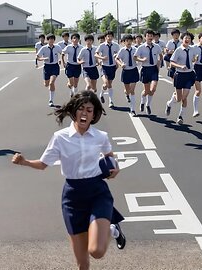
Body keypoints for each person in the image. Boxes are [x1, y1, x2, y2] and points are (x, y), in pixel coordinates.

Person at [12, 90, 126, 269]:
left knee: (96, 251)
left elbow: (110, 156)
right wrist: (24, 162)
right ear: (74, 111)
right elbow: (43, 164)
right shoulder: (60, 138)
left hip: (97, 192)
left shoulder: (100, 136)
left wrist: (115, 167)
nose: (85, 113)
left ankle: (112, 229)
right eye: (81, 109)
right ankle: (108, 230)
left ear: (94, 114)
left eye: (89, 110)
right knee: (82, 263)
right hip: (72, 197)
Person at [165, 32, 197, 125]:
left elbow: (193, 59)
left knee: (184, 97)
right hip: (179, 75)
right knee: (178, 98)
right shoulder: (178, 50)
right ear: (182, 40)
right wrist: (180, 66)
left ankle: (181, 116)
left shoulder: (192, 49)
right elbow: (172, 63)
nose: (187, 40)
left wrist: (195, 59)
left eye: (189, 39)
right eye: (185, 38)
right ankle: (169, 103)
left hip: (189, 75)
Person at [133, 29, 163, 115]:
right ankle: (142, 102)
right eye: (148, 36)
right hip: (145, 69)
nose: (150, 37)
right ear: (145, 37)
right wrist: (141, 59)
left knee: (152, 89)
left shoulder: (157, 46)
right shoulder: (141, 47)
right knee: (146, 91)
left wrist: (158, 63)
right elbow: (135, 57)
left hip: (153, 69)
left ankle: (148, 105)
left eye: (151, 36)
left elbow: (161, 55)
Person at [115, 34, 139, 116]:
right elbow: (117, 58)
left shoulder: (135, 49)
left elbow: (139, 57)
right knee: (127, 90)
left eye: (130, 41)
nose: (129, 42)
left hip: (134, 70)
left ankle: (132, 109)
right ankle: (126, 93)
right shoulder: (122, 50)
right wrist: (121, 64)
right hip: (126, 71)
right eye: (127, 41)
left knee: (132, 91)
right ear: (124, 42)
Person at [37, 33, 63, 107]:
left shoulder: (57, 47)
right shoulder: (44, 48)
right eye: (50, 39)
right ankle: (49, 86)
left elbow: (62, 53)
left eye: (52, 39)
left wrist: (60, 59)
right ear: (47, 40)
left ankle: (51, 100)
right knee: (46, 84)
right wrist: (44, 58)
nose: (51, 40)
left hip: (55, 66)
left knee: (52, 83)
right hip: (47, 67)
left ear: (54, 40)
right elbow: (38, 57)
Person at [95, 31, 120, 108]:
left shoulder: (116, 45)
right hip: (104, 67)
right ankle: (110, 101)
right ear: (105, 37)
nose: (109, 38)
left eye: (111, 36)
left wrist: (117, 62)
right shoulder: (102, 45)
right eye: (108, 36)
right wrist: (101, 58)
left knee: (109, 85)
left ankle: (102, 94)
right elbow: (96, 54)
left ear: (113, 37)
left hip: (112, 67)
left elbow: (119, 55)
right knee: (106, 83)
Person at [61, 33, 83, 97]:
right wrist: (63, 62)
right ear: (71, 39)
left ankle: (74, 93)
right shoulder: (68, 47)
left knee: (76, 83)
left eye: (77, 38)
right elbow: (62, 54)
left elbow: (84, 56)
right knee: (71, 83)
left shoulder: (81, 48)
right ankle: (71, 90)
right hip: (70, 66)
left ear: (79, 39)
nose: (75, 40)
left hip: (77, 66)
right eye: (74, 38)